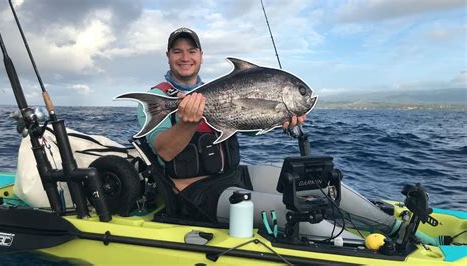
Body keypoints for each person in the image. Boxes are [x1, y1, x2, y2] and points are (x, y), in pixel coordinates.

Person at [137, 27, 441, 246]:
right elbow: (163, 152)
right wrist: (188, 122)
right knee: (300, 211)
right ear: (168, 56)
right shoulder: (159, 98)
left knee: (320, 188)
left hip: (234, 175)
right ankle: (385, 251)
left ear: (201, 56)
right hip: (196, 194)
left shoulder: (215, 89)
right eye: (178, 51)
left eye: (192, 50)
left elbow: (248, 121)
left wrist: (279, 118)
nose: (185, 57)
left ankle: (401, 230)